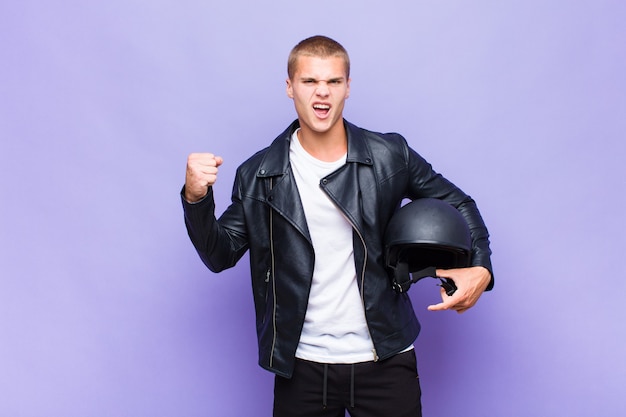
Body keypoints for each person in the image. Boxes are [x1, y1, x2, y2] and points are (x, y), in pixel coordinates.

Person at [182, 35, 493, 417]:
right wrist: (196, 199)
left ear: (348, 87)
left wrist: (480, 266)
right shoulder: (259, 175)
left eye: (333, 81)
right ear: (289, 87)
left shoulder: (388, 154)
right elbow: (219, 254)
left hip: (386, 357)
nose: (322, 93)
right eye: (310, 81)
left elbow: (458, 202)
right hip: (302, 366)